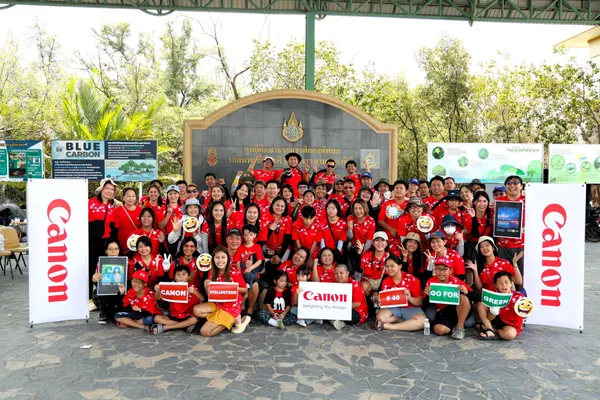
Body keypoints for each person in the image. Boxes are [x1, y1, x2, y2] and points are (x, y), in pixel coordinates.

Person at [192, 246, 250, 336]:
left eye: (223, 257)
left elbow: (245, 289)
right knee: (196, 310)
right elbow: (209, 295)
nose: (220, 260)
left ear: (228, 259)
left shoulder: (234, 272)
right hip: (217, 303)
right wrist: (207, 286)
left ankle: (230, 319)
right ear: (213, 259)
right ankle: (228, 319)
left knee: (205, 331)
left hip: (230, 306)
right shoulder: (212, 272)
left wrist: (230, 287)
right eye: (217, 257)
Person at [423, 257, 472, 340]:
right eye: (438, 269)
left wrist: (466, 291)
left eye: (445, 269)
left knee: (463, 297)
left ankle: (460, 328)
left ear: (450, 271)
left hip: (458, 308)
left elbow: (474, 295)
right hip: (442, 311)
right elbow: (424, 305)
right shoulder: (431, 281)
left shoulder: (456, 281)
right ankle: (453, 326)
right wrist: (428, 295)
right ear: (435, 270)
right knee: (439, 330)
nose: (441, 272)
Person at [375, 254, 426, 331]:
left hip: (410, 308)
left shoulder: (412, 279)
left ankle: (389, 326)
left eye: (392, 266)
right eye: (387, 266)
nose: (389, 269)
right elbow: (385, 301)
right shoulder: (386, 281)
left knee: (423, 322)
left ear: (400, 266)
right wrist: (380, 299)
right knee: (380, 317)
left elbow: (419, 301)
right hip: (394, 308)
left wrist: (410, 298)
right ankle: (405, 323)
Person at [88, 178, 118, 308]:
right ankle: (89, 298)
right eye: (107, 188)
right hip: (92, 241)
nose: (109, 191)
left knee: (105, 270)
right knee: (90, 269)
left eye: (112, 189)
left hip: (106, 243)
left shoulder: (113, 206)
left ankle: (105, 298)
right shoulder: (91, 202)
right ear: (101, 190)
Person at [151, 265, 203, 335]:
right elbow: (157, 298)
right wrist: (158, 290)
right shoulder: (171, 287)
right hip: (173, 316)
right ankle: (184, 326)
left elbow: (202, 298)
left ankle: (167, 327)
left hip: (187, 316)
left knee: (194, 320)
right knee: (156, 318)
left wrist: (194, 292)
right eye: (178, 275)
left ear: (188, 277)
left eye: (184, 274)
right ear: (175, 278)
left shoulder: (192, 288)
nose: (181, 277)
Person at [475, 271, 525, 340]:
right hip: (496, 320)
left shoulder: (519, 297)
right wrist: (493, 312)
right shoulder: (493, 296)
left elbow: (525, 316)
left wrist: (524, 314)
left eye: (506, 282)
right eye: (500, 283)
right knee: (480, 304)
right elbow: (489, 318)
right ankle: (490, 329)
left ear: (511, 283)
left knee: (509, 335)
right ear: (495, 285)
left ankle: (494, 330)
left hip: (511, 324)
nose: (504, 285)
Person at [495, 175, 526, 277]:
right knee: (503, 277)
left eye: (515, 183)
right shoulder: (498, 202)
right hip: (502, 246)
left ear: (521, 186)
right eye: (509, 183)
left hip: (521, 246)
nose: (512, 185)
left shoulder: (529, 202)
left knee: (521, 277)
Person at [234, 224, 265, 315]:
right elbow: (238, 262)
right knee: (247, 282)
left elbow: (260, 261)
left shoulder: (257, 247)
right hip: (243, 275)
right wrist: (240, 275)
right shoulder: (240, 247)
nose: (248, 237)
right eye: (246, 235)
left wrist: (250, 268)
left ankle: (249, 307)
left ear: (255, 235)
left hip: (253, 274)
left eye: (251, 235)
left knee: (253, 282)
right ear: (243, 235)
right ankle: (244, 300)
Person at [91, 239, 124, 324]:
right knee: (97, 292)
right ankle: (103, 313)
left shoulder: (125, 262)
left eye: (116, 249)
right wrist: (94, 279)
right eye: (110, 249)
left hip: (120, 290)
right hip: (106, 290)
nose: (114, 251)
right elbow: (96, 280)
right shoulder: (101, 263)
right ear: (106, 251)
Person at [260, 196, 293, 279]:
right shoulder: (264, 217)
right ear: (272, 205)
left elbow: (287, 239)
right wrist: (270, 229)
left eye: (282, 206)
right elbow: (262, 239)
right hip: (266, 248)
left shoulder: (288, 219)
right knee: (265, 270)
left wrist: (279, 256)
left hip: (282, 250)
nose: (279, 208)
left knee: (279, 272)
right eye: (277, 205)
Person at [329, 264, 368, 330]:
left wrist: (340, 308)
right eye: (336, 273)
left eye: (341, 273)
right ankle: (337, 319)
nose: (338, 275)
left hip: (356, 311)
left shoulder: (355, 285)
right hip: (341, 308)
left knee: (353, 316)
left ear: (347, 273)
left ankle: (335, 319)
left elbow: (357, 304)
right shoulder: (335, 284)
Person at [347, 200, 376, 274]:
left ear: (365, 208)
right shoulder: (350, 218)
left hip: (365, 248)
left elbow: (369, 241)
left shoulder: (371, 221)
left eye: (360, 208)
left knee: (361, 269)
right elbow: (349, 237)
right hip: (353, 247)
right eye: (355, 209)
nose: (358, 211)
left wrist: (362, 253)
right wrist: (350, 228)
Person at [463, 191, 493, 263]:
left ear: (488, 202)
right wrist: (473, 218)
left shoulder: (492, 213)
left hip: (488, 247)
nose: (482, 204)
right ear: (474, 202)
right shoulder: (467, 215)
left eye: (484, 201)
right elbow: (475, 234)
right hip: (473, 248)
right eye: (479, 201)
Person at [378, 180, 409, 246]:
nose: (398, 190)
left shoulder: (410, 204)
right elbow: (380, 221)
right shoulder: (387, 203)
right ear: (393, 190)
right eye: (397, 188)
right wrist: (390, 229)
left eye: (401, 188)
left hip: (407, 237)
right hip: (390, 236)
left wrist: (405, 212)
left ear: (406, 191)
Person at [113, 187, 141, 256]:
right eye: (128, 196)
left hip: (138, 245)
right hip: (123, 246)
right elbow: (115, 230)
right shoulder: (117, 211)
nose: (131, 198)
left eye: (133, 196)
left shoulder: (141, 211)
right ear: (123, 197)